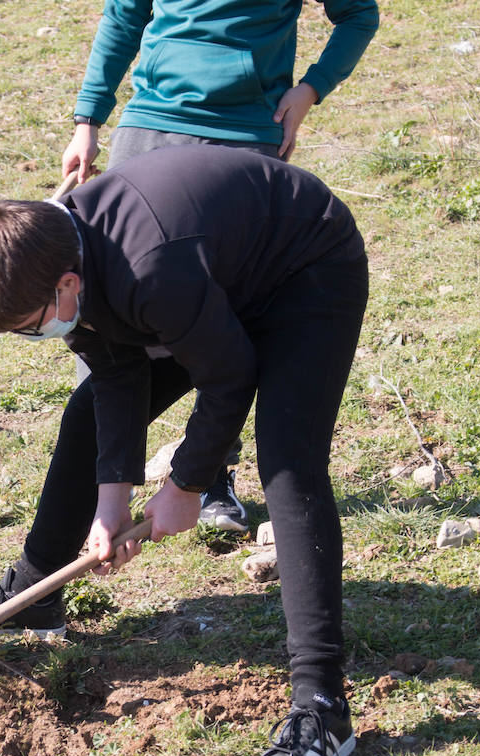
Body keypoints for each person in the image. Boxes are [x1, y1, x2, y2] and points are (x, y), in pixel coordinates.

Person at [0, 145, 368, 756]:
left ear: (66, 285)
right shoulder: (61, 248)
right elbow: (118, 370)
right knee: (87, 414)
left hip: (304, 267)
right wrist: (111, 506)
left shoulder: (146, 268)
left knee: (288, 462)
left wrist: (186, 484)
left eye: (26, 327)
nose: (29, 338)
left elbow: (231, 375)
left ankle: (322, 709)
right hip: (213, 281)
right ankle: (36, 592)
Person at [60, 0, 379, 533]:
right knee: (111, 313)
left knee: (224, 319)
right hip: (148, 124)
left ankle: (208, 476)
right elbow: (123, 15)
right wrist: (88, 117)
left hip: (245, 131)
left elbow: (358, 16)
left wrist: (310, 90)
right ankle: (105, 491)